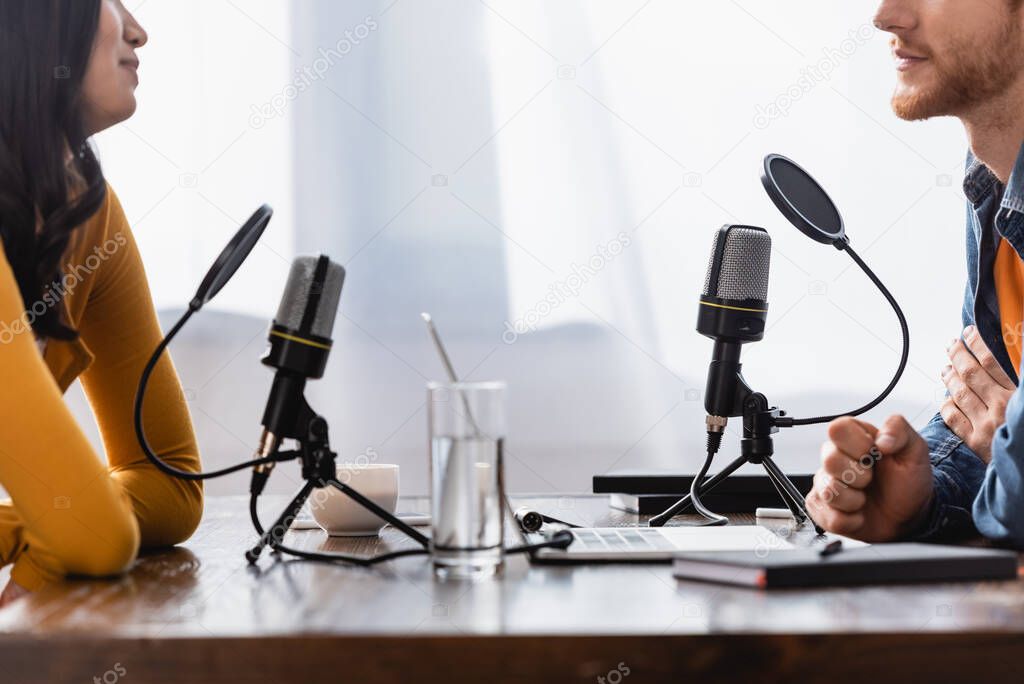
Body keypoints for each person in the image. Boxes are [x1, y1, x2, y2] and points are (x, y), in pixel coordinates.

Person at [0, 1, 202, 605]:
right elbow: (95, 539)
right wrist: (53, 527)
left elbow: (171, 483)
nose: (138, 29)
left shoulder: (86, 213)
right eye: (109, 2)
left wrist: (26, 528)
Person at [806, 0, 1024, 546]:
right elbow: (977, 422)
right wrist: (917, 497)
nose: (886, 16)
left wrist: (1008, 448)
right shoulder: (993, 187)